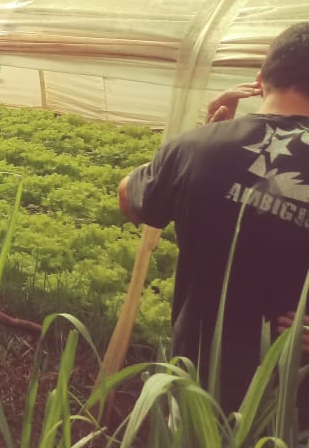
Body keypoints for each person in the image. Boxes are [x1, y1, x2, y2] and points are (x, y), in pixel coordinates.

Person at [118, 23, 309, 421]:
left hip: (198, 379)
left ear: (260, 80)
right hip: (291, 396)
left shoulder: (194, 148)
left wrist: (204, 135)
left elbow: (130, 201)